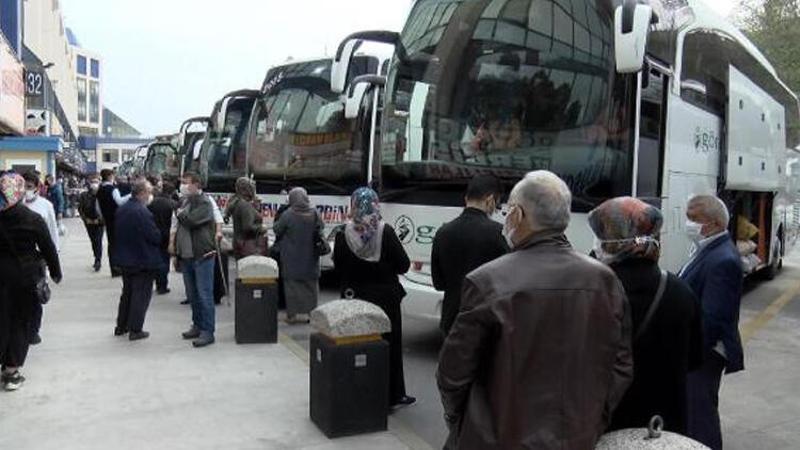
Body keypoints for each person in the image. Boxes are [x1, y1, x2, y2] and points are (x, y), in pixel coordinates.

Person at [437, 171, 632, 450]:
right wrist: (594, 419)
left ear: (516, 214)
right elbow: (621, 366)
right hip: (577, 436)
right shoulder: (606, 280)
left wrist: (463, 421)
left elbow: (452, 373)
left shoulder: (487, 282)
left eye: (508, 210)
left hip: (498, 438)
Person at [589, 197, 703, 435]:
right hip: (662, 425)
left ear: (609, 241)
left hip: (607, 424)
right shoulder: (680, 291)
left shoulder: (591, 292)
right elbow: (694, 360)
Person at [333, 187, 415, 409]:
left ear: (353, 205)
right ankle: (391, 396)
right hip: (385, 300)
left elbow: (338, 265)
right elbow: (404, 265)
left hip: (354, 298)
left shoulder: (342, 233)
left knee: (357, 345)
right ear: (375, 204)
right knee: (389, 347)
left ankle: (357, 391)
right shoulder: (385, 231)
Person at [679, 195, 744, 450]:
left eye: (694, 219)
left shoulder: (723, 260)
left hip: (704, 354)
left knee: (700, 416)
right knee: (694, 412)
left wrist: (690, 353)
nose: (688, 224)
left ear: (715, 223)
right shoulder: (707, 248)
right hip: (698, 350)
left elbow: (712, 319)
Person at [0, 173, 62, 391]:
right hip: (25, 278)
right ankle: (11, 371)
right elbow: (48, 247)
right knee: (20, 323)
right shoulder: (31, 218)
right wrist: (55, 272)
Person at [432, 175, 508, 335]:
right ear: (490, 200)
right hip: (486, 320)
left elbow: (438, 283)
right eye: (497, 204)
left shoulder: (443, 232)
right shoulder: (498, 233)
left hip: (452, 319)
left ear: (466, 198)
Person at [172, 172, 217, 348]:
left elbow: (191, 220)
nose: (183, 186)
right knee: (193, 295)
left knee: (204, 295)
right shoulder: (185, 201)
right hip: (187, 255)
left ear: (197, 184)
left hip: (202, 254)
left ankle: (208, 331)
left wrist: (180, 213)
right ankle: (197, 325)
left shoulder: (205, 202)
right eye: (182, 182)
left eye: (186, 183)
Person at [112, 179, 161, 341]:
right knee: (140, 295)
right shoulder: (142, 212)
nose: (150, 195)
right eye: (149, 192)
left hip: (126, 258)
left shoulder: (123, 209)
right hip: (142, 259)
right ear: (142, 193)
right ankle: (135, 329)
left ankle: (121, 325)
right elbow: (154, 236)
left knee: (127, 293)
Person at [21, 172, 60, 346]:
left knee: (36, 295)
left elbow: (52, 231)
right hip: (16, 259)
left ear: (37, 187)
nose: (26, 190)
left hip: (38, 259)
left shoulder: (45, 206)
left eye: (29, 187)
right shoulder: (11, 206)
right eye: (24, 186)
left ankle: (33, 330)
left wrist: (54, 258)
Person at [273, 187, 322, 324]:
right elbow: (321, 228)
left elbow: (277, 229)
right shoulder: (315, 213)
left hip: (291, 257)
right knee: (311, 287)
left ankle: (292, 316)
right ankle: (311, 314)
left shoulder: (288, 214)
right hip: (311, 256)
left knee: (291, 287)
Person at [96, 169, 130, 277]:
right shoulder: (113, 189)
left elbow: (97, 206)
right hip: (116, 218)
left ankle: (113, 268)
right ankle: (118, 267)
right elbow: (119, 201)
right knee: (118, 244)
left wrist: (102, 216)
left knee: (111, 244)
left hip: (107, 219)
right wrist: (130, 195)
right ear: (110, 176)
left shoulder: (100, 189)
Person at [147, 176, 177, 295]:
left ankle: (156, 282)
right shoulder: (173, 204)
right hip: (167, 235)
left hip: (154, 233)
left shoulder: (153, 202)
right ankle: (162, 285)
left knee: (155, 258)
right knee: (165, 260)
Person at [224, 177, 265, 260]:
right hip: (247, 246)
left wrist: (256, 207)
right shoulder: (245, 205)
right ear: (247, 189)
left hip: (240, 244)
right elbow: (248, 227)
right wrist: (262, 229)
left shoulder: (238, 202)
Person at [78, 175, 105, 272]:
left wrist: (100, 220)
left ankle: (98, 260)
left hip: (99, 223)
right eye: (92, 181)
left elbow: (106, 209)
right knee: (93, 241)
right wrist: (86, 219)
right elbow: (80, 209)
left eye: (96, 181)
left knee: (98, 240)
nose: (94, 183)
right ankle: (96, 256)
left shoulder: (102, 195)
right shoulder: (84, 195)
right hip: (89, 222)